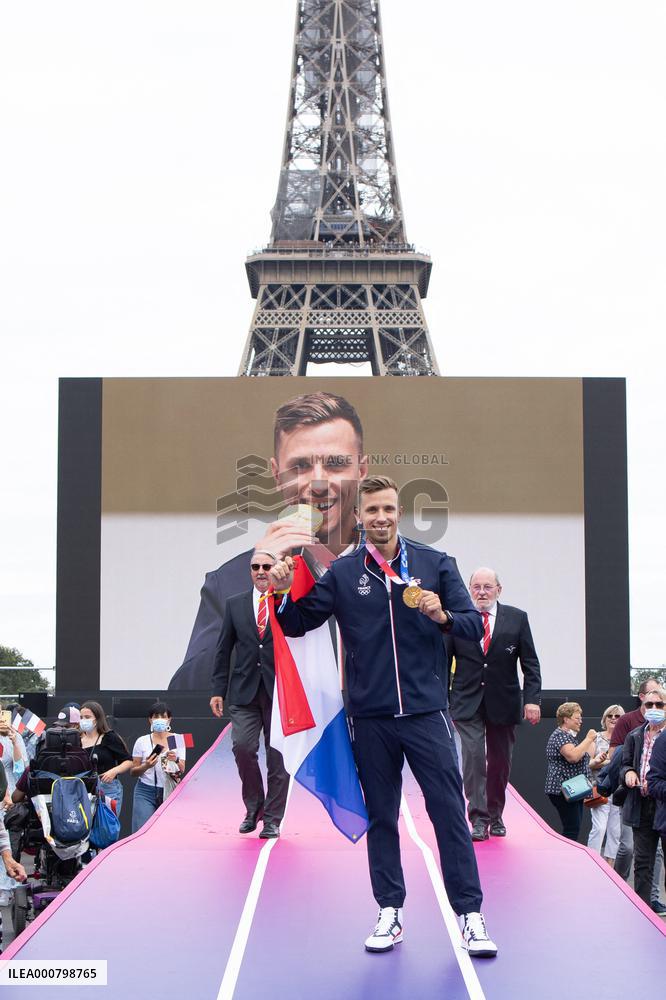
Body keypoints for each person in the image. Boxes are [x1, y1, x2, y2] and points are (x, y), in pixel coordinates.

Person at [270, 476, 498, 957]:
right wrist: (284, 592)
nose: (380, 518)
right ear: (359, 517)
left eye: (388, 510)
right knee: (381, 818)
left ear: (399, 512)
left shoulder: (436, 565)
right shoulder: (344, 571)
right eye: (371, 510)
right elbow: (296, 621)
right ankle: (390, 911)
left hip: (426, 713)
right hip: (370, 717)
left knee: (448, 813)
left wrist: (442, 617)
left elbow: (473, 624)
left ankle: (470, 914)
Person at [169, 391, 369, 690]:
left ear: (361, 470)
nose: (318, 482)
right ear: (276, 475)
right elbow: (189, 691)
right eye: (300, 466)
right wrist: (259, 589)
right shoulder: (231, 582)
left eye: (336, 463)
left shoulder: (418, 570)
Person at [448, 567, 541, 840]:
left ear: (498, 590)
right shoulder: (457, 618)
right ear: (469, 589)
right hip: (466, 701)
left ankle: (496, 814)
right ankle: (478, 818)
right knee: (474, 757)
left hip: (504, 701)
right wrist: (443, 701)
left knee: (499, 762)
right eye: (476, 586)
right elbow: (442, 660)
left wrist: (532, 700)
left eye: (487, 586)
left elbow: (530, 663)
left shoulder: (517, 618)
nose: (481, 592)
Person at [210, 552, 289, 839]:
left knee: (278, 757)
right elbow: (223, 650)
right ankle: (254, 806)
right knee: (242, 748)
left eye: (266, 566)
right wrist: (218, 690)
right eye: (255, 567)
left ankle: (272, 819)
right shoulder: (234, 604)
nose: (260, 571)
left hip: (279, 691)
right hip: (243, 691)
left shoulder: (286, 601)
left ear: (274, 569)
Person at [608, 677, 663, 906]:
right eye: (649, 705)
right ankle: (644, 911)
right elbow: (624, 765)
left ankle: (656, 902)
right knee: (642, 862)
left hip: (663, 803)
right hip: (641, 804)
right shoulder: (635, 735)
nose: (653, 709)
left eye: (659, 705)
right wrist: (629, 773)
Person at [130, 703, 186, 833]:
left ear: (169, 719)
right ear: (150, 719)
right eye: (156, 716)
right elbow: (133, 771)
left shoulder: (177, 739)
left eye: (163, 716)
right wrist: (146, 766)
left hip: (169, 789)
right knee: (142, 830)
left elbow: (182, 769)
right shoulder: (142, 741)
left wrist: (176, 759)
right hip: (145, 790)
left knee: (169, 832)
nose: (160, 719)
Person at [545, 702, 596, 841]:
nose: (580, 721)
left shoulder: (569, 737)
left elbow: (585, 756)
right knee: (572, 828)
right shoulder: (560, 735)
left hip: (573, 789)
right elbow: (573, 757)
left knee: (574, 827)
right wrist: (588, 739)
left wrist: (590, 742)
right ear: (566, 719)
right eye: (577, 718)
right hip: (562, 790)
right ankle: (565, 858)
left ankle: (567, 857)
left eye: (580, 718)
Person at [79, 702, 133, 816]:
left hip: (107, 788)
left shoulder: (109, 737)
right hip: (83, 789)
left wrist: (114, 771)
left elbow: (128, 761)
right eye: (81, 717)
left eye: (87, 717)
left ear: (97, 719)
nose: (83, 720)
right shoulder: (77, 740)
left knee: (107, 827)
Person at [586, 704, 625, 864]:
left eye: (617, 716)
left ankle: (609, 868)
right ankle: (592, 863)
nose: (614, 719)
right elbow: (588, 763)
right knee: (599, 829)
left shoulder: (626, 738)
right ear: (605, 718)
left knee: (615, 832)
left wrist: (608, 761)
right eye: (610, 716)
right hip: (600, 790)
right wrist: (603, 761)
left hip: (618, 790)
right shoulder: (596, 737)